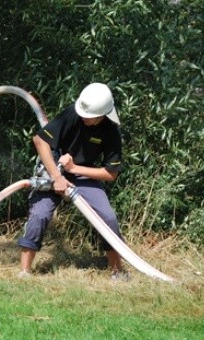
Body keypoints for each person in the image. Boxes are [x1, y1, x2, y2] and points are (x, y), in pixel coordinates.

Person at [18, 82, 129, 280]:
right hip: (54, 170)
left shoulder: (111, 131)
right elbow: (40, 140)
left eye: (90, 117)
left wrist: (75, 169)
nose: (84, 118)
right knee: (40, 214)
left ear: (102, 115)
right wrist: (57, 176)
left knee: (108, 218)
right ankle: (24, 272)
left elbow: (110, 174)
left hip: (83, 175)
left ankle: (117, 271)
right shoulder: (72, 113)